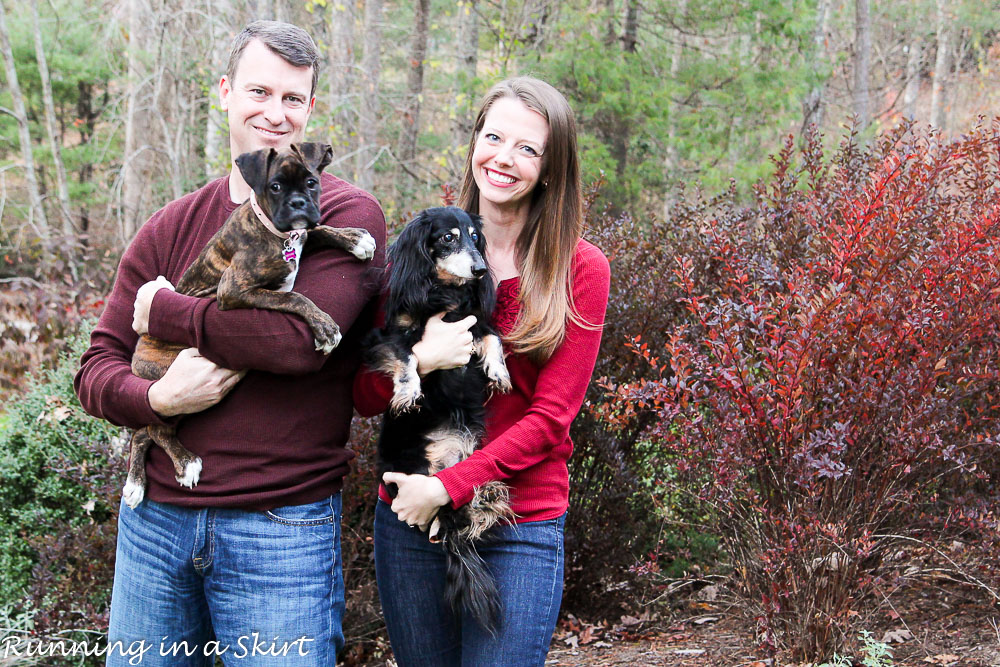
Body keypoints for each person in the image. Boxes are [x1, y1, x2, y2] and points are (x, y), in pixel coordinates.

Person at [74, 21, 385, 666]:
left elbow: (294, 341)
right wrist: (156, 397)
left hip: (283, 531)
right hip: (155, 528)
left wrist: (169, 309)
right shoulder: (171, 225)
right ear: (224, 92)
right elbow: (96, 366)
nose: (275, 113)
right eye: (259, 92)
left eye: (293, 98)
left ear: (311, 109)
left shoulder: (350, 217)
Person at [353, 76, 611, 666]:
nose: (504, 158)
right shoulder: (422, 249)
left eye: (528, 148)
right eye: (494, 137)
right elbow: (364, 396)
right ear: (474, 142)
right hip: (409, 512)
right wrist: (420, 358)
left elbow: (551, 419)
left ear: (550, 168)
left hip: (518, 521)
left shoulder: (579, 269)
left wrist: (450, 485)